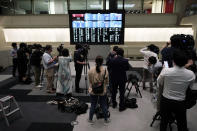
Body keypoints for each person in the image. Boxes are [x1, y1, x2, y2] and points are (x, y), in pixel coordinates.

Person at [157, 49, 196, 131]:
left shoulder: (166, 71)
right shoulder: (191, 74)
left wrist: (163, 71)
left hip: (166, 101)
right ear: (186, 62)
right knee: (182, 124)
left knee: (164, 122)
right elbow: (191, 87)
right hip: (181, 102)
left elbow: (159, 82)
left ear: (173, 60)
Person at [88, 56, 110, 125]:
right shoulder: (105, 70)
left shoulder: (90, 70)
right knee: (104, 105)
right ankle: (106, 120)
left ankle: (90, 119)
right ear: (102, 62)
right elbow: (107, 82)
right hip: (102, 91)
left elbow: (90, 81)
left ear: (95, 61)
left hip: (93, 90)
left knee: (93, 105)